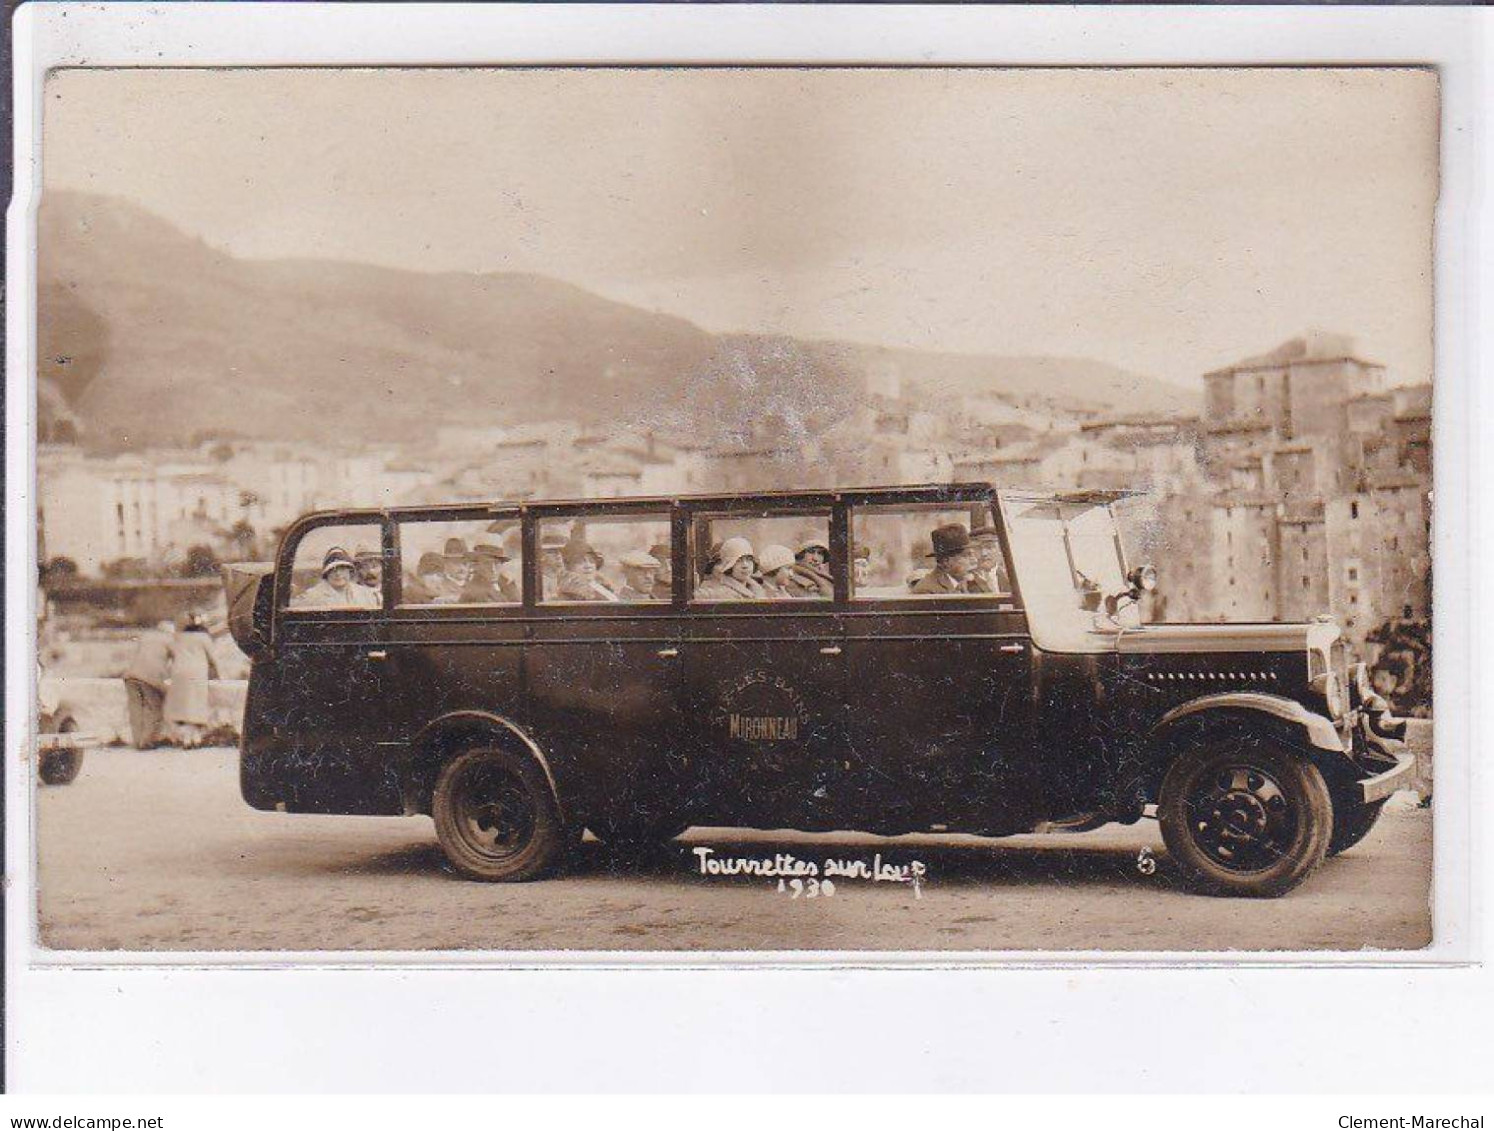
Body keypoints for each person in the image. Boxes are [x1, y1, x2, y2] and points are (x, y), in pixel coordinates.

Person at [163, 614, 219, 749]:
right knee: (196, 705)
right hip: (197, 672)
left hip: (179, 672)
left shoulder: (179, 637)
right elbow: (213, 658)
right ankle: (195, 739)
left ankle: (185, 739)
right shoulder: (204, 638)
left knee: (182, 706)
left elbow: (171, 654)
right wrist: (219, 674)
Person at [122, 620, 175, 749]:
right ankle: (147, 742)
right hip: (150, 677)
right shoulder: (169, 640)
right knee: (154, 709)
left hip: (131, 676)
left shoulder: (146, 636)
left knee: (136, 710)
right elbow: (178, 659)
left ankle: (137, 741)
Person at [298, 547, 379, 609]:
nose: (338, 574)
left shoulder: (366, 594)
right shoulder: (312, 596)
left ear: (349, 572)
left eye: (343, 569)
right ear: (326, 573)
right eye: (333, 570)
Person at [913, 524, 978, 595]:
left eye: (973, 554)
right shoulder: (926, 590)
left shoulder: (964, 582)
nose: (974, 560)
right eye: (966, 556)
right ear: (946, 561)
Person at [696, 537, 766, 601]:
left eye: (749, 559)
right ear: (728, 565)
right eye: (738, 560)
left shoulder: (756, 588)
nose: (745, 565)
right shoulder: (717, 592)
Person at [966, 525, 1011, 595]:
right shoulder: (965, 580)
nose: (984, 553)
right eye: (978, 548)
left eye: (989, 547)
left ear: (1000, 550)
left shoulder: (1011, 579)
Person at [539, 529, 570, 599]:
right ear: (541, 555)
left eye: (562, 551)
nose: (559, 556)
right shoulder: (539, 581)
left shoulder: (566, 578)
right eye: (552, 552)